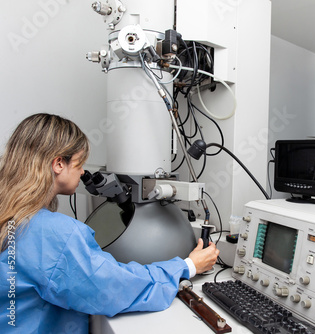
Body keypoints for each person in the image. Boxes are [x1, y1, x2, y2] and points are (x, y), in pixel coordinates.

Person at [0, 113, 220, 333]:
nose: (83, 172)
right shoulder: (51, 233)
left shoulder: (11, 215)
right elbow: (115, 288)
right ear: (58, 164)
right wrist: (188, 266)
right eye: (79, 164)